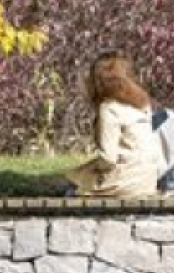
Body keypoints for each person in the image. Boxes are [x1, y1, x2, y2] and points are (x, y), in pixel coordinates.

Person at [65, 50, 167, 198]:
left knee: (74, 182)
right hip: (147, 181)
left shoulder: (109, 109)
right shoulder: (141, 105)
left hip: (125, 183)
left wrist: (91, 168)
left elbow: (108, 159)